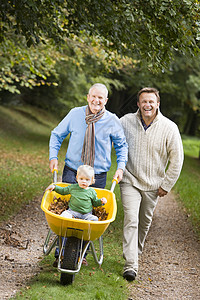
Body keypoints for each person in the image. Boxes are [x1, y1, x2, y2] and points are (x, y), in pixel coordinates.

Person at [49, 83, 128, 265]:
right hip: (73, 172)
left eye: (100, 97)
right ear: (87, 97)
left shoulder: (112, 120)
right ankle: (62, 252)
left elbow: (122, 145)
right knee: (67, 210)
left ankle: (80, 255)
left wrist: (121, 167)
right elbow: (56, 134)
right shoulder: (75, 114)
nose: (96, 100)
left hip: (97, 175)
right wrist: (53, 156)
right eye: (93, 96)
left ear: (106, 101)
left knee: (88, 213)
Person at [120, 87, 184, 281]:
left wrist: (166, 184)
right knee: (131, 219)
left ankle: (135, 251)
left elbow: (177, 159)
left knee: (144, 222)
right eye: (143, 101)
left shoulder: (169, 127)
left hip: (153, 185)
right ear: (138, 104)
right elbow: (110, 139)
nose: (147, 105)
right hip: (130, 179)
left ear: (157, 104)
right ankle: (131, 265)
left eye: (151, 102)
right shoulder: (125, 122)